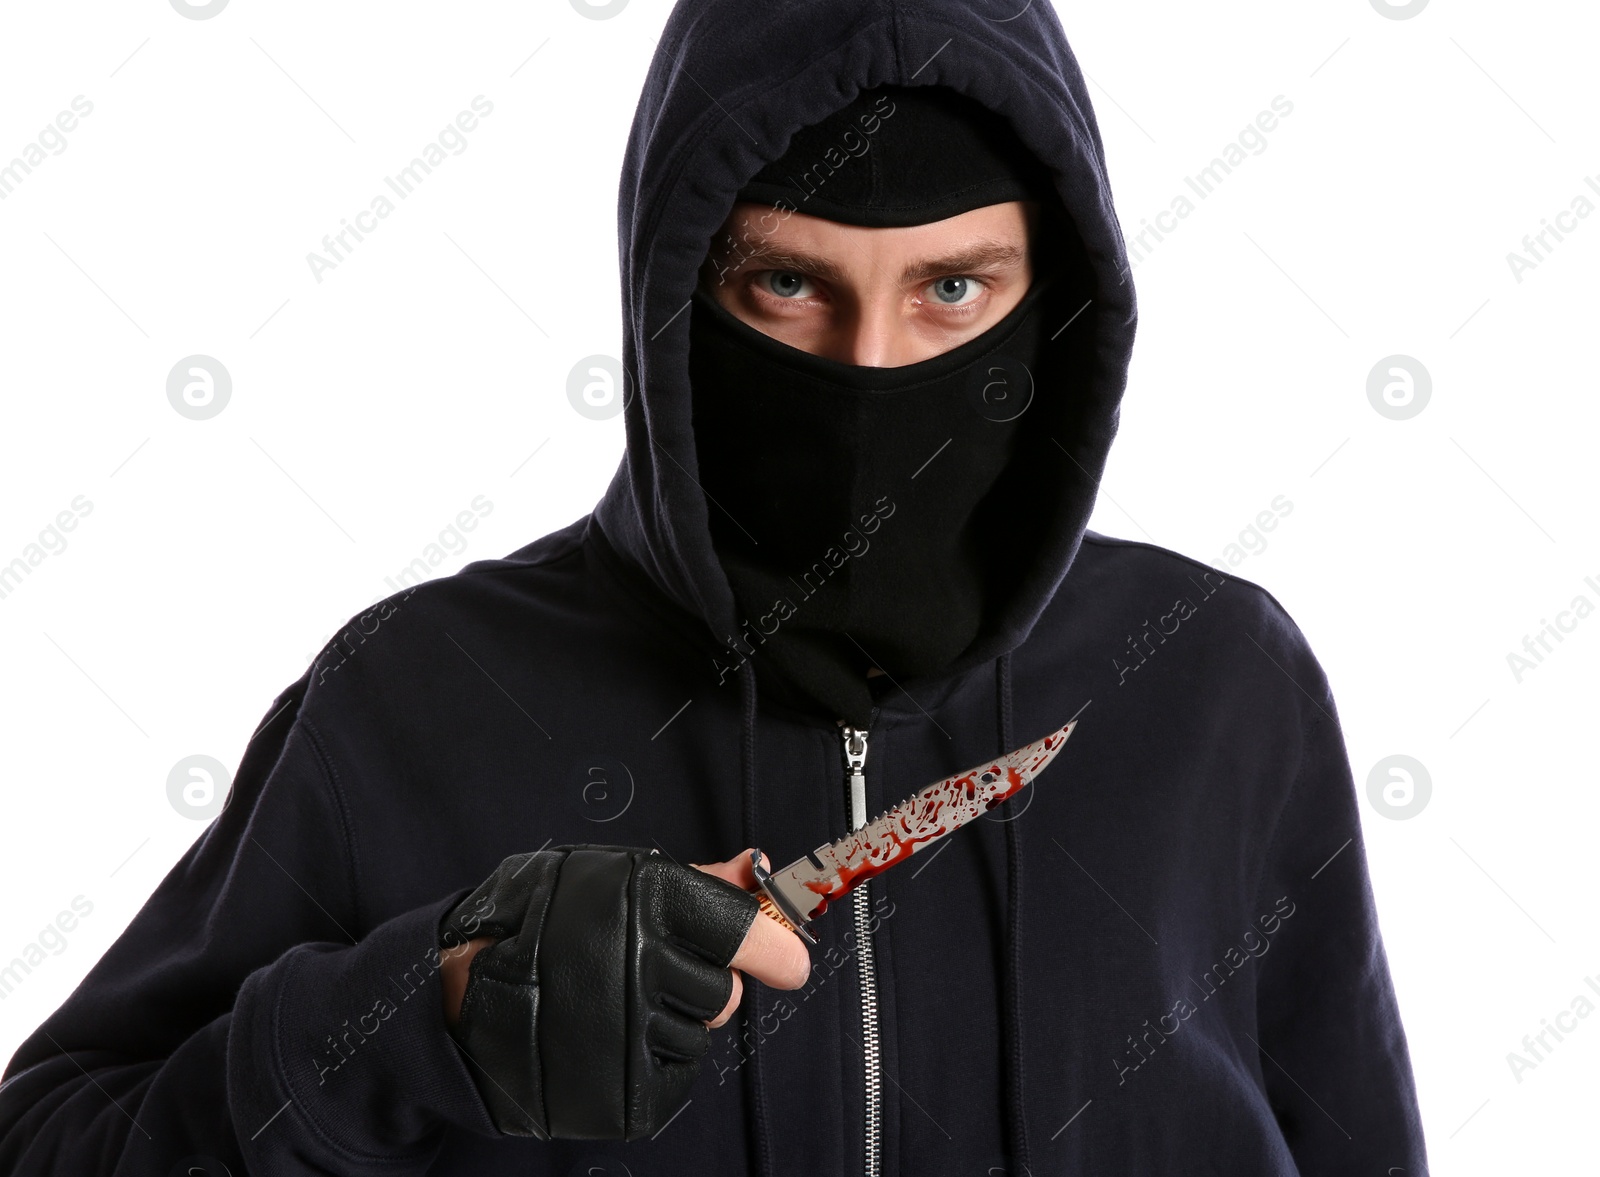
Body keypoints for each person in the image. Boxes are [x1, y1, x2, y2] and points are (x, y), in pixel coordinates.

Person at [0, 0, 1429, 1174]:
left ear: (1051, 303)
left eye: (952, 291)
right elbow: (57, 1141)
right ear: (676, 295)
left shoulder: (1214, 680)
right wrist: (416, 1015)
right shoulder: (416, 695)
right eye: (788, 287)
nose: (872, 374)